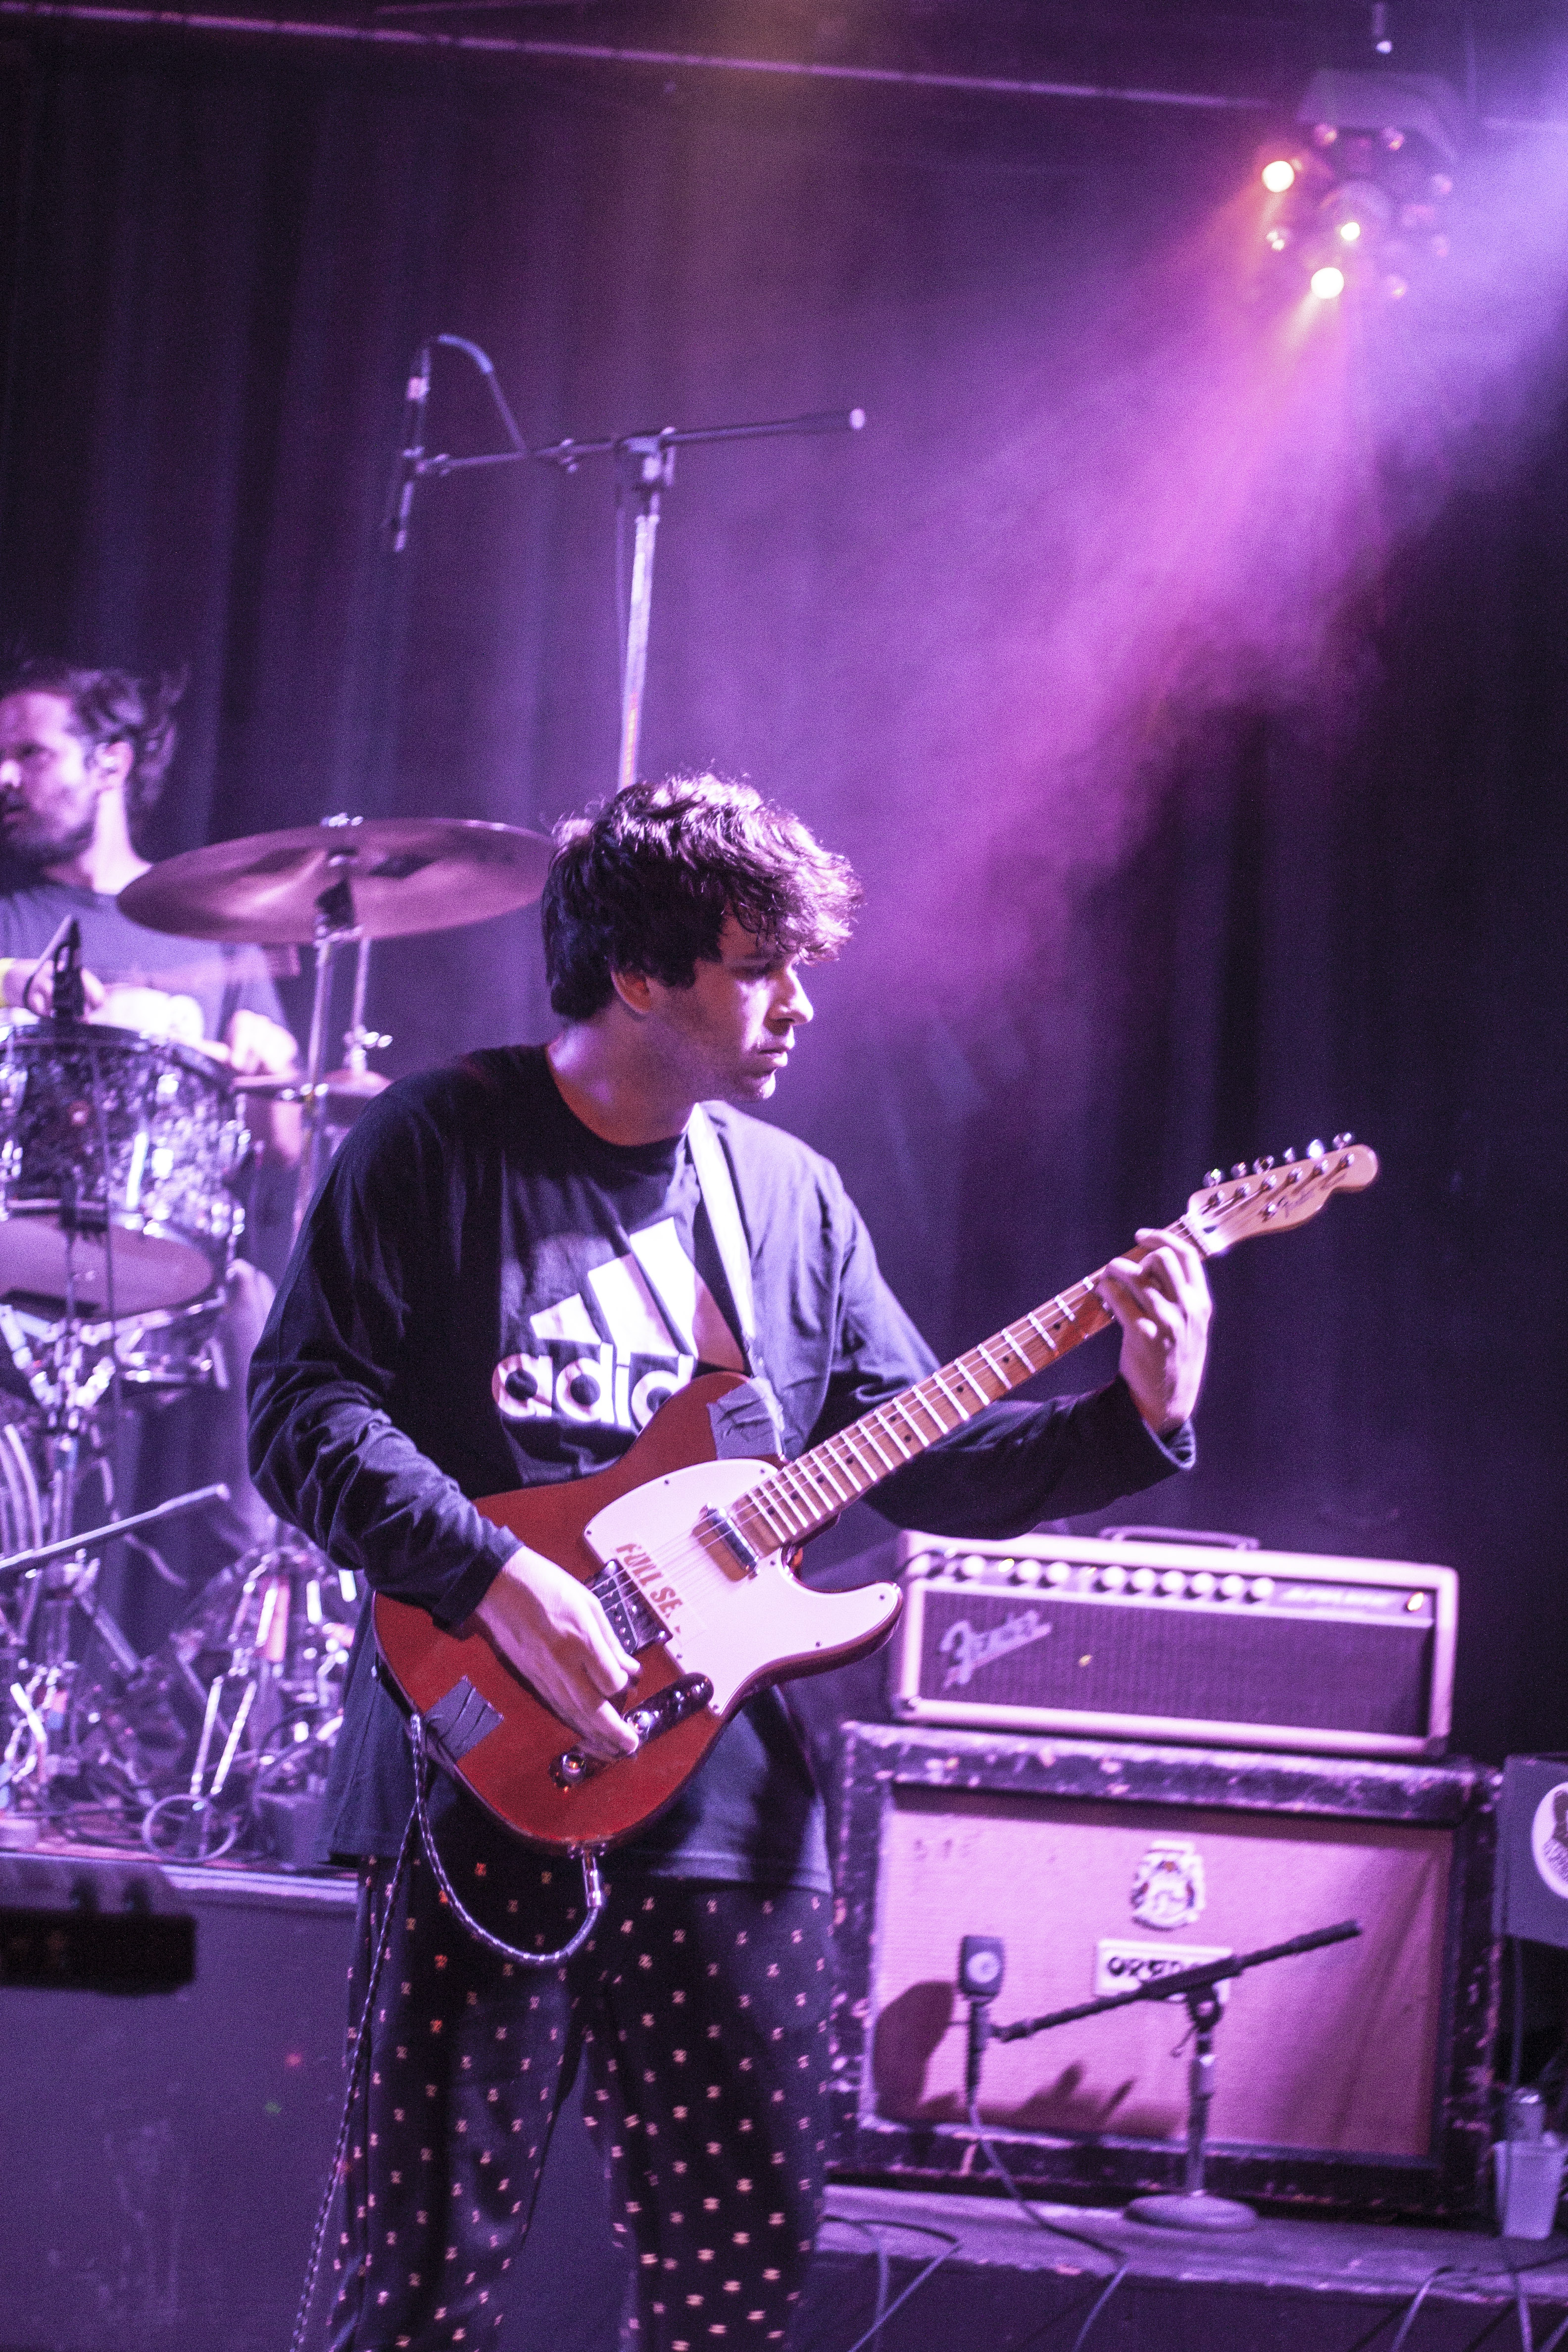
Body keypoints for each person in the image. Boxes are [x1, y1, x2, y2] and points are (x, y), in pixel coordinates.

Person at [247, 775, 1214, 2352]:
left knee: (734, 2288)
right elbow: (302, 1412)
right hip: (474, 1770)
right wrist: (495, 1575)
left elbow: (920, 1452)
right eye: (760, 967)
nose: (799, 1005)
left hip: (728, 1811)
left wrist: (1136, 1420)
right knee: (418, 2289)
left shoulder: (789, 1199)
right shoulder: (438, 1142)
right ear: (640, 975)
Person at [0, 658, 303, 1566]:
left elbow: (284, 1145)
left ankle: (245, 1610)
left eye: (31, 753)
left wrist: (272, 1070)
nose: (5, 777)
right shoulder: (11, 921)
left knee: (261, 1312)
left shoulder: (211, 925)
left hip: (169, 1261)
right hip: (15, 1249)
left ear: (112, 762)